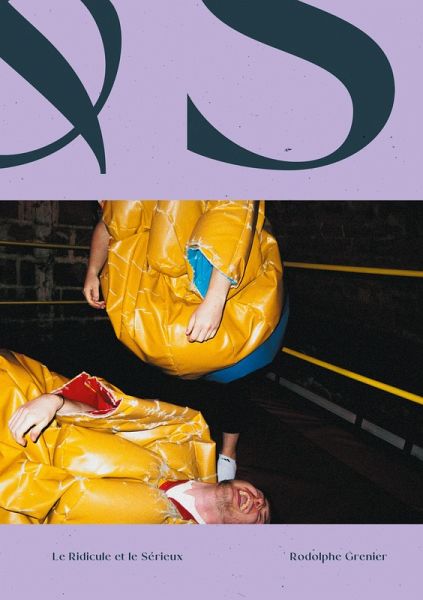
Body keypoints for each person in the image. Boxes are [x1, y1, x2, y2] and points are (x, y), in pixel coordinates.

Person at [83, 200, 287, 481]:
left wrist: (215, 299)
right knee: (178, 375)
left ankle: (228, 453)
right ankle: (178, 449)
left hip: (223, 275)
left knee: (236, 376)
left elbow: (232, 213)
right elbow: (110, 222)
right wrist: (93, 271)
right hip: (165, 288)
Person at [0, 349, 270, 525]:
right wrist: (56, 403)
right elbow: (114, 414)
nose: (258, 502)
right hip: (28, 426)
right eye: (263, 497)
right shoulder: (186, 438)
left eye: (261, 517)